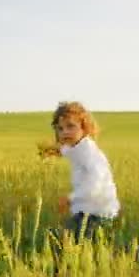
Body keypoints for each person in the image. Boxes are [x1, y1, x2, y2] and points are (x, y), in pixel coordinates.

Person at [47, 101, 120, 244]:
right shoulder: (78, 147)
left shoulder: (89, 152)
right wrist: (57, 151)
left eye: (70, 126)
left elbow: (95, 184)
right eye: (60, 129)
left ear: (84, 128)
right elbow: (71, 151)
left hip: (97, 212)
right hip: (87, 209)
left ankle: (134, 254)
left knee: (73, 242)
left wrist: (71, 198)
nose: (65, 132)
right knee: (70, 240)